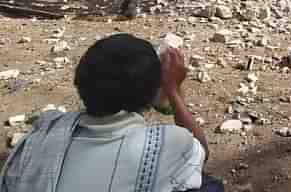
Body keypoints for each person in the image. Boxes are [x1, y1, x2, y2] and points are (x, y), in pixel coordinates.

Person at [0, 34, 223, 192]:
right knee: (208, 185)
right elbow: (199, 151)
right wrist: (173, 91)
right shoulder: (166, 144)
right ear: (151, 91)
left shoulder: (46, 130)